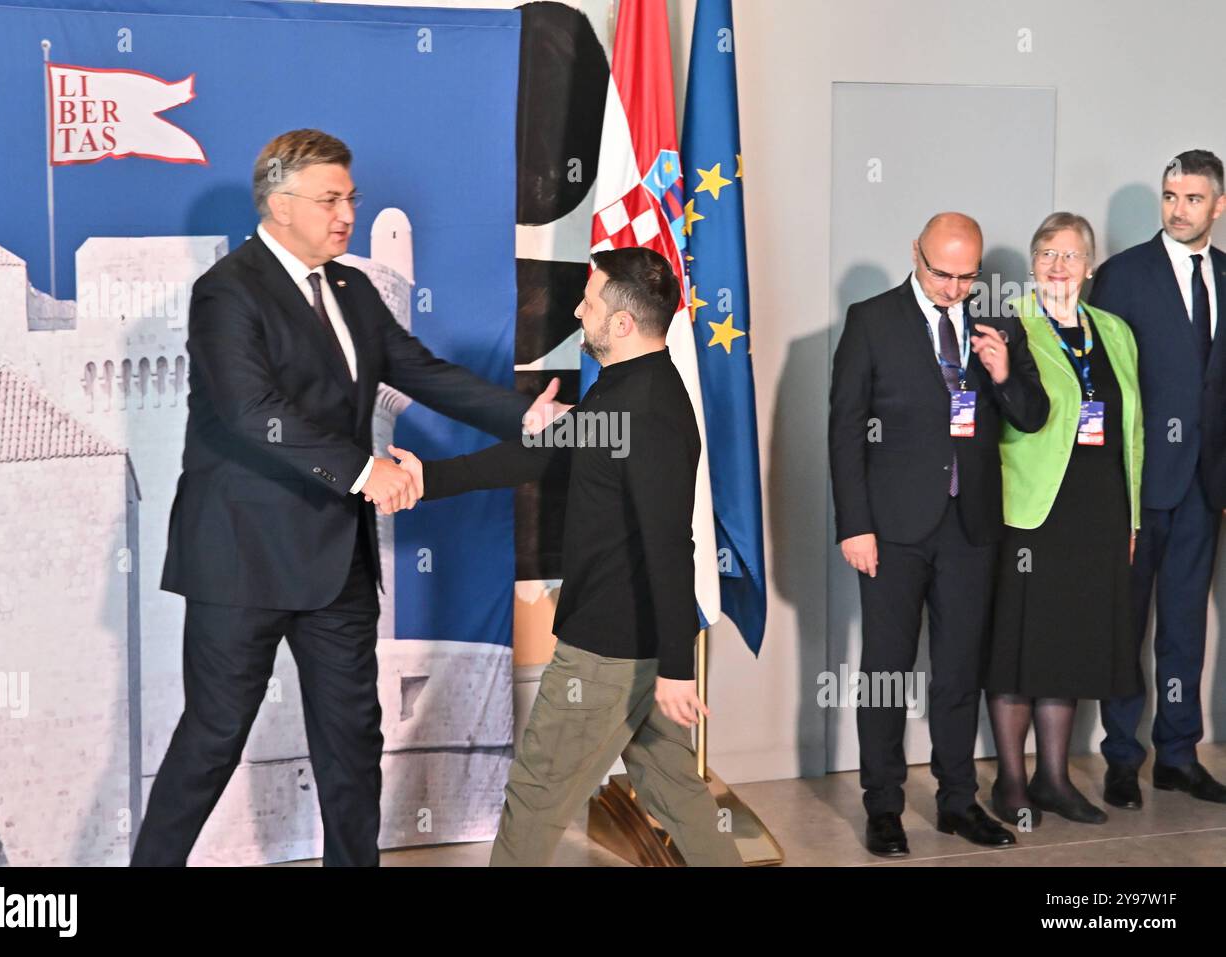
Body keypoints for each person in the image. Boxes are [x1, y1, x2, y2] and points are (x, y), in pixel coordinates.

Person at [131, 129, 568, 866]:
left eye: (351, 199)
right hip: (241, 560)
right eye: (330, 199)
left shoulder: (352, 288)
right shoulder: (227, 291)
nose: (346, 214)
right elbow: (252, 411)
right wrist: (367, 471)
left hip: (337, 560)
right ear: (278, 204)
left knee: (351, 737)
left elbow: (420, 370)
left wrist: (519, 414)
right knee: (213, 736)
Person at [394, 246, 743, 866]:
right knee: (674, 788)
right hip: (627, 646)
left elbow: (670, 545)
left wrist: (675, 668)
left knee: (535, 795)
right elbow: (534, 455)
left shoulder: (647, 410)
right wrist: (430, 477)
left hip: (609, 651)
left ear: (622, 324)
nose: (579, 311)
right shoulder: (624, 393)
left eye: (590, 301)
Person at [829, 212, 1049, 856]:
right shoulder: (871, 321)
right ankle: (884, 807)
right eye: (942, 273)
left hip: (971, 528)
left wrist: (1005, 374)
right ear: (915, 254)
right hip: (891, 530)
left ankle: (958, 802)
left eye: (967, 276)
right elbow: (845, 431)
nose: (954, 287)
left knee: (958, 671)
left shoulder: (999, 327)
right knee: (887, 672)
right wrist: (855, 525)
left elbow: (1032, 418)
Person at [985, 213, 1143, 828]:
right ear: (1032, 263)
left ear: (1090, 267)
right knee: (1020, 644)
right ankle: (1011, 783)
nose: (1059, 265)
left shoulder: (1115, 332)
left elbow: (1134, 429)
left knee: (1070, 644)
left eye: (1072, 255)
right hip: (1032, 511)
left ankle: (1053, 777)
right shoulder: (1010, 324)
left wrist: (1130, 516)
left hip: (1098, 512)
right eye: (1048, 253)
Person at [1089, 149, 1226, 809]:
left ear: (1218, 206)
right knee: (1124, 624)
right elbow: (1099, 389)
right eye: (1170, 195)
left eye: (1193, 198)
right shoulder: (1120, 278)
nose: (1178, 208)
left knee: (1183, 627)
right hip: (1137, 490)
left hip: (1205, 491)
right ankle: (1122, 758)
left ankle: (1177, 755)